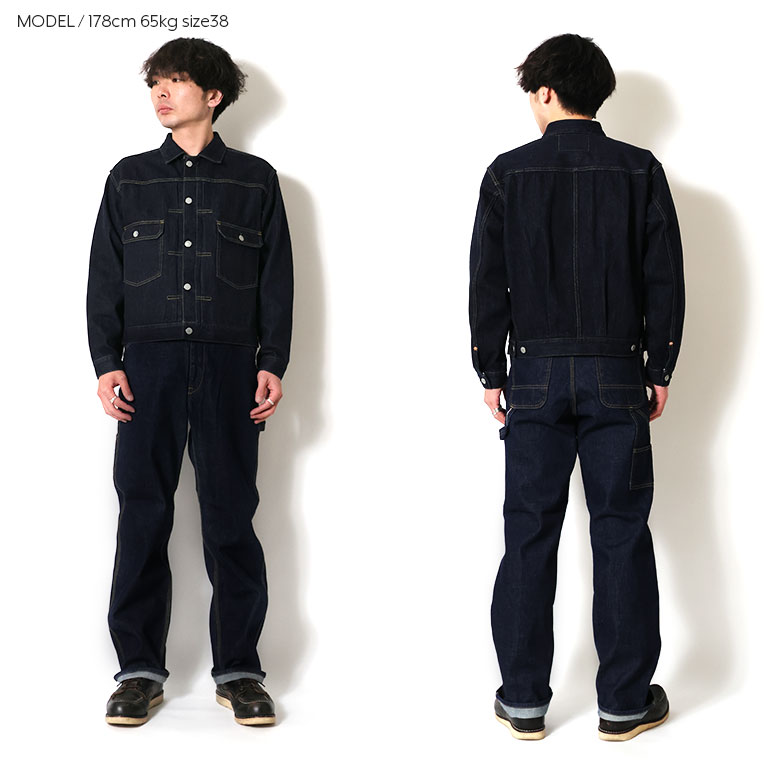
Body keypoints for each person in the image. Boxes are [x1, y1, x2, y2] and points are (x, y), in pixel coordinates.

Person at [468, 33, 684, 741]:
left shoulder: (507, 172)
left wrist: (491, 371)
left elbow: (487, 281)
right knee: (621, 531)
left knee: (529, 534)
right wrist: (658, 369)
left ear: (545, 92)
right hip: (617, 371)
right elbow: (665, 278)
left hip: (532, 373)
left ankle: (524, 702)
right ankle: (623, 704)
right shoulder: (639, 169)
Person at [87, 37, 293, 726]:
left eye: (175, 81)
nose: (160, 93)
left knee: (231, 517)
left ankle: (239, 670)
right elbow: (105, 278)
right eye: (155, 82)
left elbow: (276, 282)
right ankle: (138, 671)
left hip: (230, 366)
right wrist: (107, 362)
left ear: (213, 95)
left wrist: (271, 362)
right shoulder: (129, 179)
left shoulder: (255, 182)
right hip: (146, 368)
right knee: (142, 515)